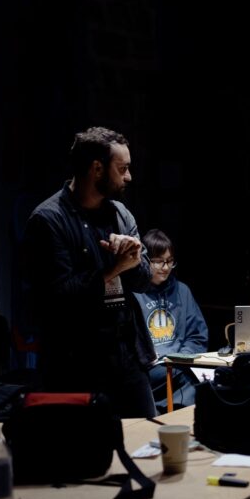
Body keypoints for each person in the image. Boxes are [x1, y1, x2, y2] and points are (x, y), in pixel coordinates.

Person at [24, 126, 156, 418]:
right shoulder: (48, 220)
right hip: (76, 362)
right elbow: (57, 296)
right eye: (122, 169)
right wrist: (113, 268)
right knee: (85, 443)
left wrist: (133, 258)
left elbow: (145, 280)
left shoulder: (121, 214)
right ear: (97, 169)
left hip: (126, 354)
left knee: (146, 434)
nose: (129, 177)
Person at [134, 229, 209, 412]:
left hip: (178, 366)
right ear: (144, 261)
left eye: (169, 261)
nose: (166, 267)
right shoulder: (133, 294)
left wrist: (181, 358)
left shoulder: (182, 291)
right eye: (159, 261)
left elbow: (198, 336)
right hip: (149, 370)